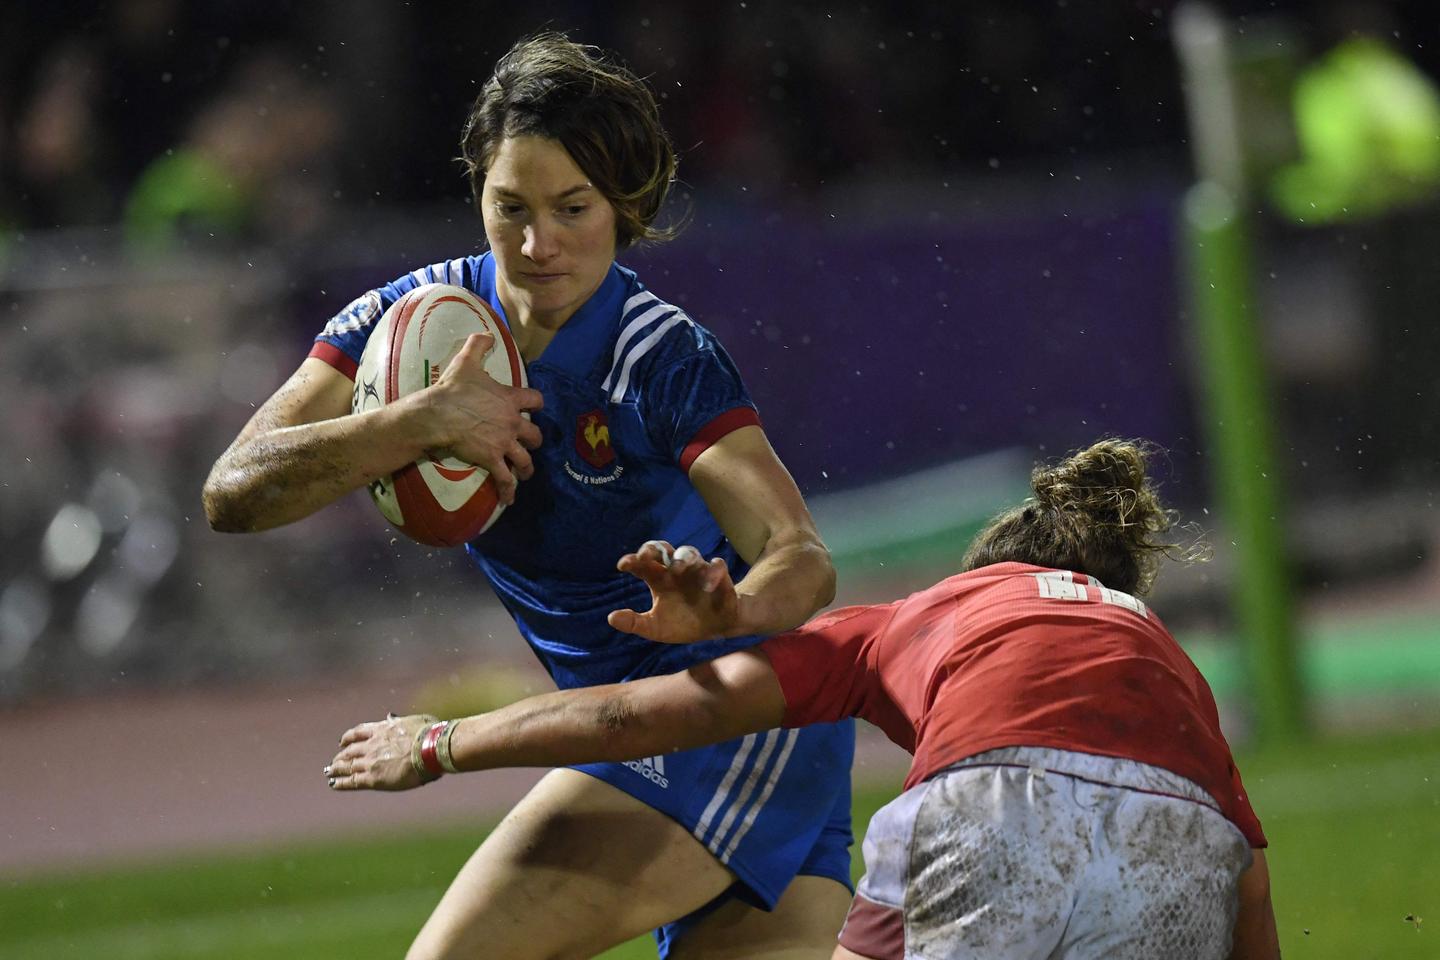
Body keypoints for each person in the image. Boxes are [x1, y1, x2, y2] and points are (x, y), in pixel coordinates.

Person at [202, 31, 856, 960]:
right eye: (509, 206)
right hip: (637, 729)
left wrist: (731, 607)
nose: (536, 243)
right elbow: (233, 492)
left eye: (573, 208)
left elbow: (803, 557)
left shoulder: (660, 358)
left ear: (627, 207)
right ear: (477, 189)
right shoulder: (411, 324)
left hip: (737, 721)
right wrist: (420, 422)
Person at [328, 438, 1282, 960]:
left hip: (990, 804)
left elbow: (638, 718)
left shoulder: (914, 616)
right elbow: (1245, 872)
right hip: (1184, 841)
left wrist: (441, 744)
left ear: (991, 567)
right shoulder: (1163, 655)